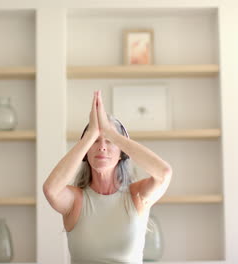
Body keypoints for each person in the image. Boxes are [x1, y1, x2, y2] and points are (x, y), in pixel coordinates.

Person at [43, 90, 172, 264]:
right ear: (85, 151)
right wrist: (90, 133)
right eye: (96, 141)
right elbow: (51, 189)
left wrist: (110, 133)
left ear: (121, 152)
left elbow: (163, 173)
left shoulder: (136, 195)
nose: (102, 147)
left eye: (109, 142)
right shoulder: (75, 200)